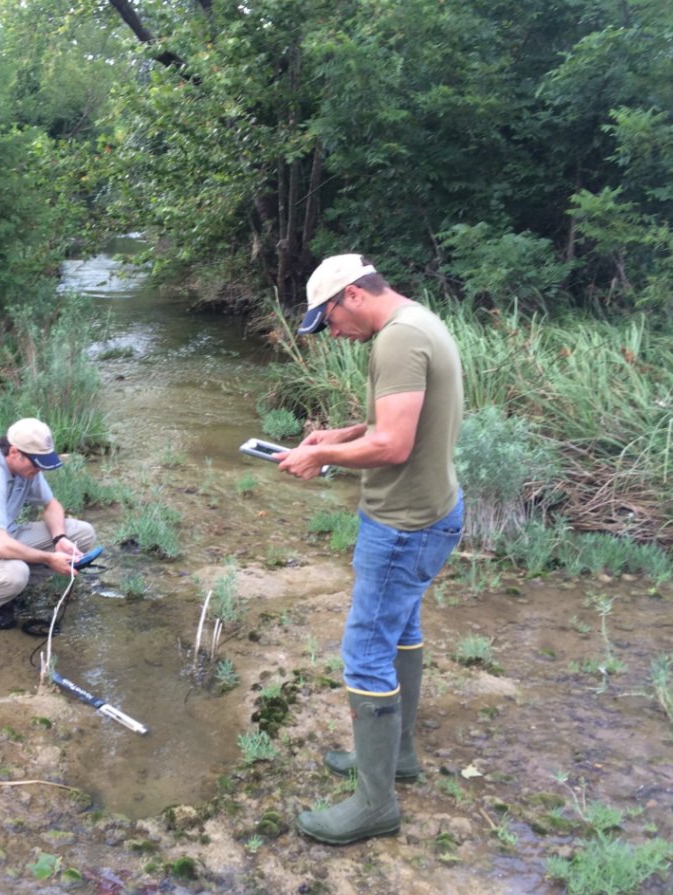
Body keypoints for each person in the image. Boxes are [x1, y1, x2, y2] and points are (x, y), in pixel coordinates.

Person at [277, 254, 464, 845]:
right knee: (401, 630)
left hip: (404, 523)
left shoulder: (396, 341)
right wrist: (344, 434)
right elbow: (396, 423)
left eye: (327, 320)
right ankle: (398, 756)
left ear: (352, 296)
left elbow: (396, 445)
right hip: (432, 512)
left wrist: (320, 456)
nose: (332, 334)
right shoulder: (417, 322)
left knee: (365, 651)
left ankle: (375, 804)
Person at [0, 417, 97, 629]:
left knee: (82, 534)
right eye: (36, 464)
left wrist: (59, 538)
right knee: (15, 573)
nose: (38, 471)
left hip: (5, 537)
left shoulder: (25, 467)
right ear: (14, 452)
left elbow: (52, 505)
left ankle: (8, 589)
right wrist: (49, 558)